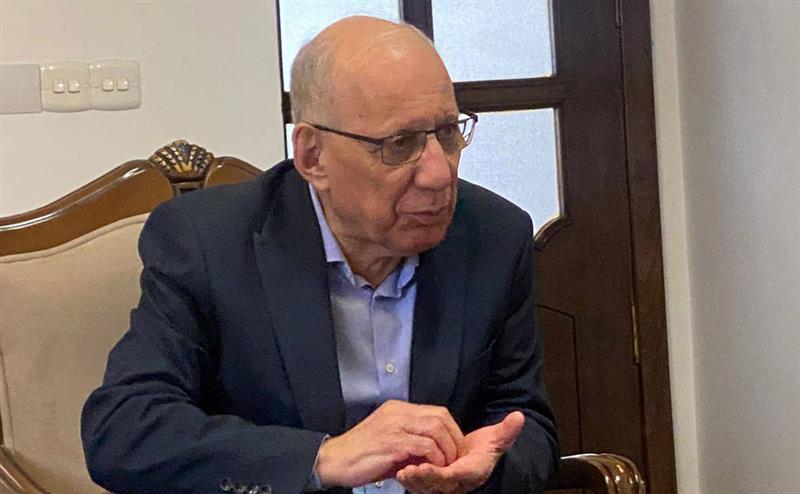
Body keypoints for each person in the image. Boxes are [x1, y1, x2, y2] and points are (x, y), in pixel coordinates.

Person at [81, 15, 558, 494]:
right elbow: (124, 430)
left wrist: (487, 464)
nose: (439, 174)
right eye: (400, 144)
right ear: (312, 156)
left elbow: (528, 423)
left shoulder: (494, 236)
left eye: (448, 133)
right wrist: (322, 457)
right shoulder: (209, 242)